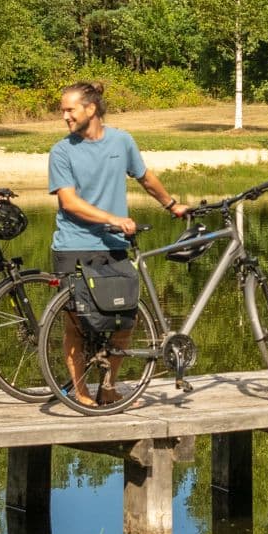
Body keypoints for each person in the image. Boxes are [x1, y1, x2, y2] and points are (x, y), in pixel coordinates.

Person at [46, 81, 185, 404]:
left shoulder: (122, 141)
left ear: (90, 109)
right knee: (75, 323)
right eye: (63, 110)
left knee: (126, 317)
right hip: (73, 245)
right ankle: (80, 392)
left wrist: (172, 204)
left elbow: (146, 178)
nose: (64, 116)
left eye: (70, 109)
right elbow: (70, 202)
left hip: (114, 246)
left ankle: (109, 386)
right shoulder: (62, 151)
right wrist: (113, 219)